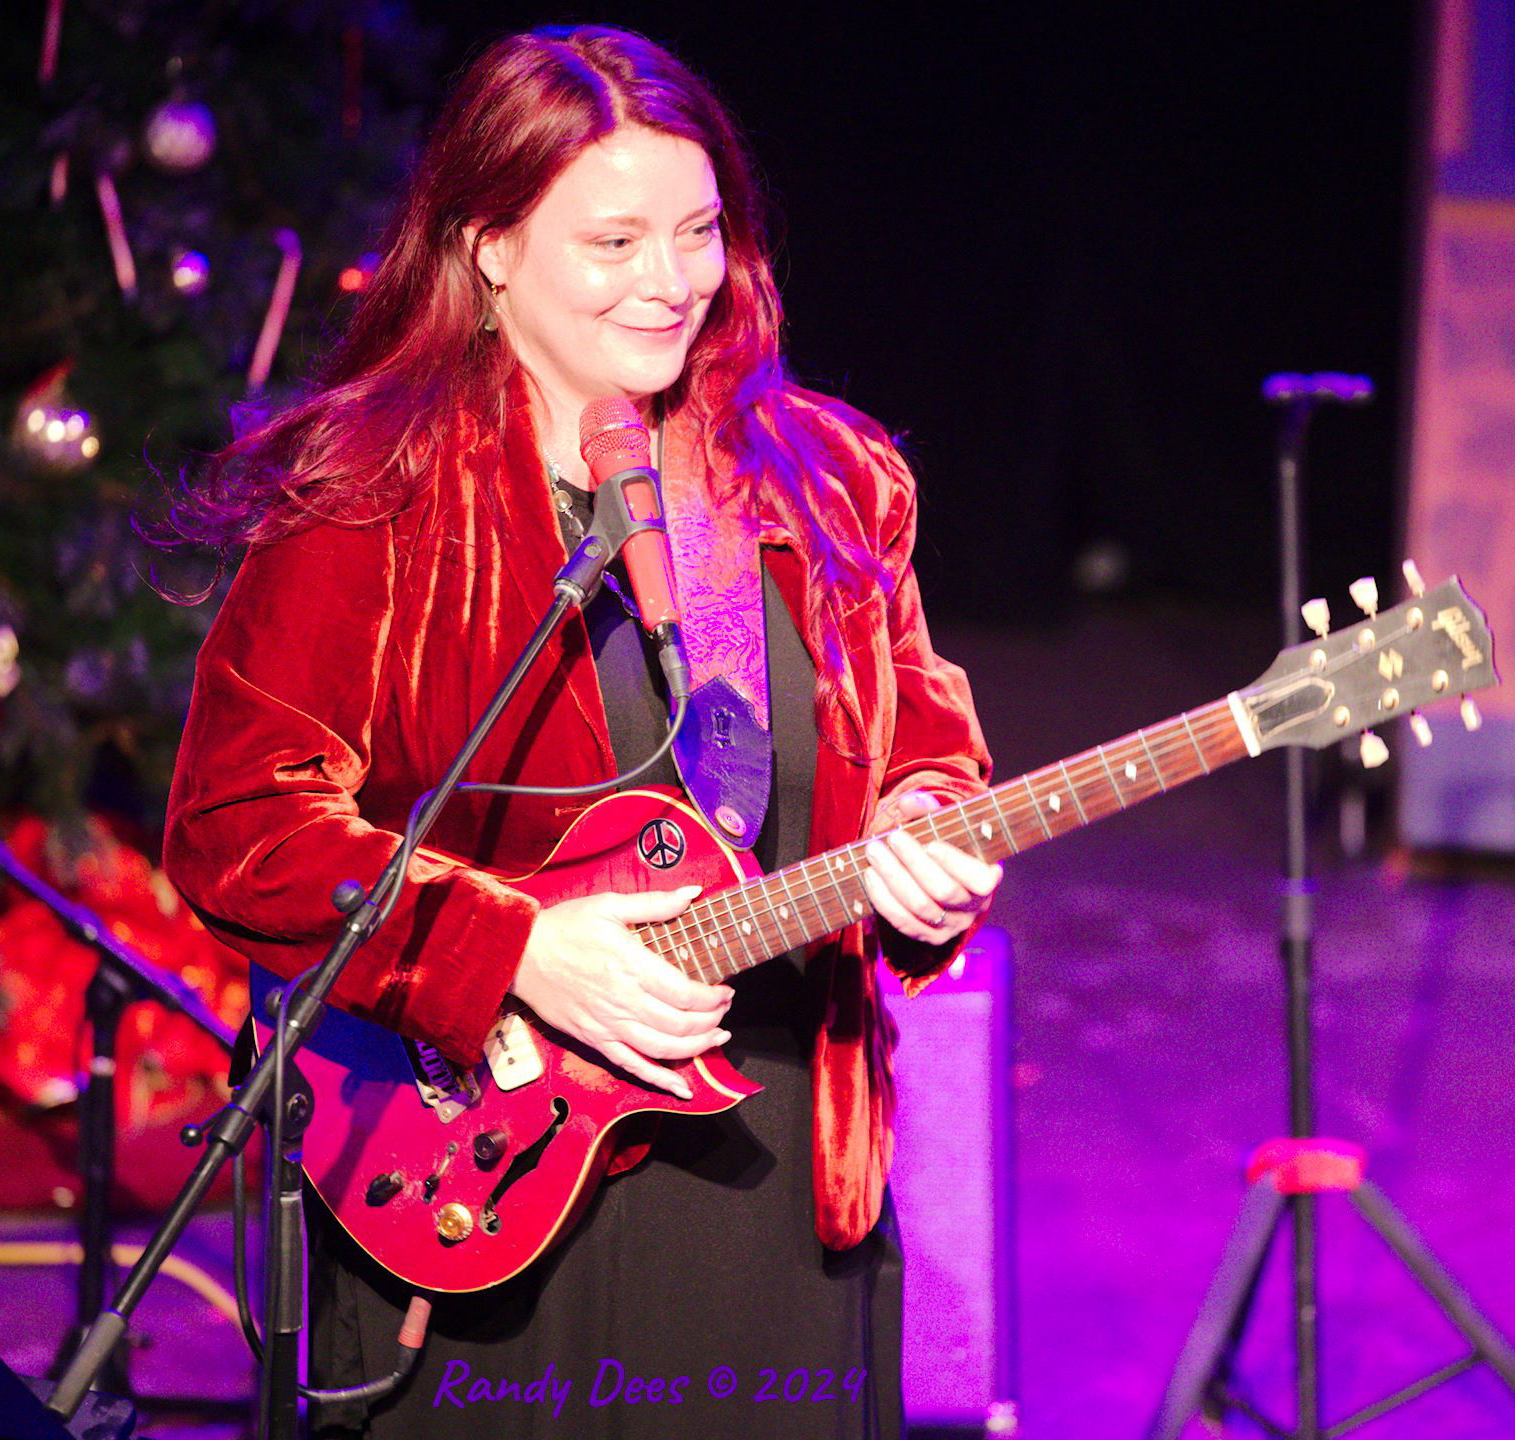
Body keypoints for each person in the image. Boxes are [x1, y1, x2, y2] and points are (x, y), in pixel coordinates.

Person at [160, 24, 1000, 1440]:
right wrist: (511, 952)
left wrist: (925, 838)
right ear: (490, 247)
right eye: (614, 242)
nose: (671, 281)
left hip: (772, 1185)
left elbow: (921, 743)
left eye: (698, 232)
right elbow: (239, 823)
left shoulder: (830, 481)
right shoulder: (372, 491)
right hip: (475, 1176)